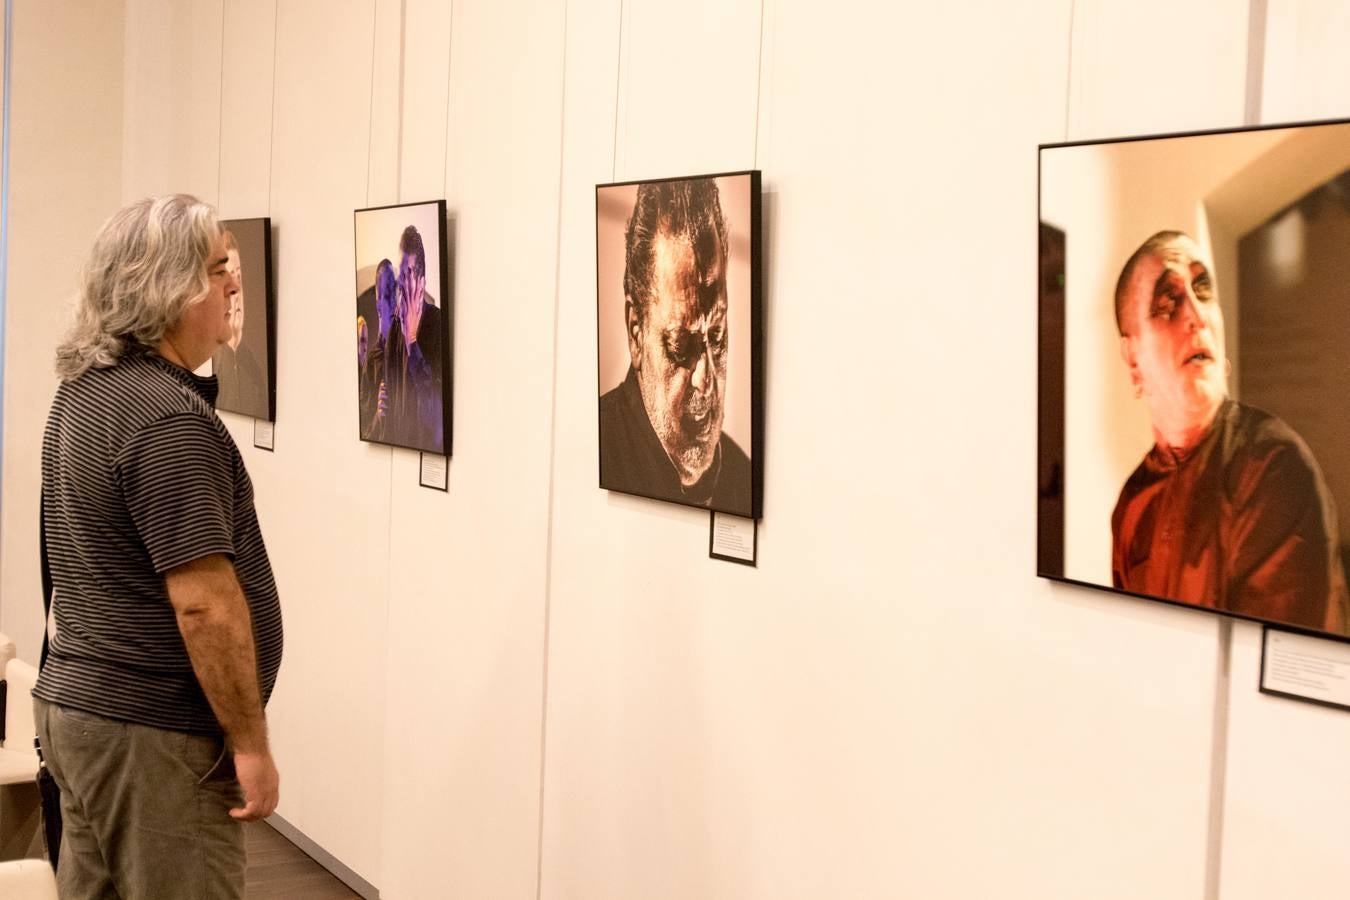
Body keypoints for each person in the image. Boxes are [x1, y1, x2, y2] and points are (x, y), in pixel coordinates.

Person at [34, 194, 285, 897]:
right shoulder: (166, 420)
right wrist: (251, 743)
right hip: (150, 736)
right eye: (216, 270)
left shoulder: (85, 393)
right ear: (164, 289)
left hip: (83, 715)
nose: (236, 283)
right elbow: (204, 608)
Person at [1111, 230, 1348, 633]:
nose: (1197, 315)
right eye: (1167, 302)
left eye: (1203, 291)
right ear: (1133, 359)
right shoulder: (1132, 506)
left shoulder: (1273, 464)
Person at [599, 178, 751, 514]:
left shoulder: (744, 476)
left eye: (717, 336)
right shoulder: (596, 446)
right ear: (636, 334)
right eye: (681, 345)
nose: (705, 379)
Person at [211, 228, 266, 418]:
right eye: (225, 277)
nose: (236, 290)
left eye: (238, 277)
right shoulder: (214, 364)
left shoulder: (253, 371)